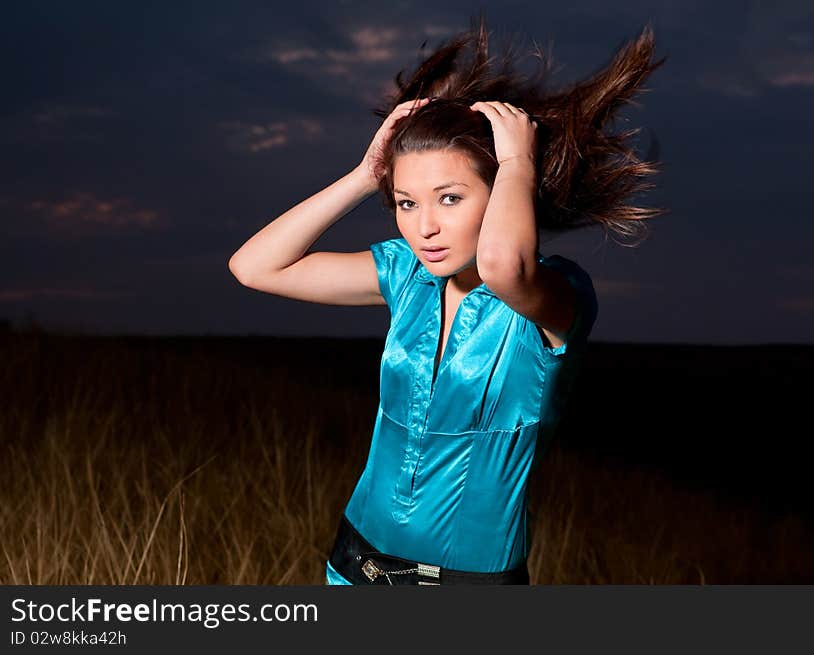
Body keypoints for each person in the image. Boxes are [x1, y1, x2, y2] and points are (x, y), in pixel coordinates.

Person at [229, 14, 667, 585]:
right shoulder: (406, 276)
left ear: (505, 192)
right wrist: (367, 175)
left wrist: (517, 162)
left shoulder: (557, 296)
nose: (424, 226)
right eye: (407, 203)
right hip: (353, 564)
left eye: (451, 198)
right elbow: (254, 267)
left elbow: (503, 266)